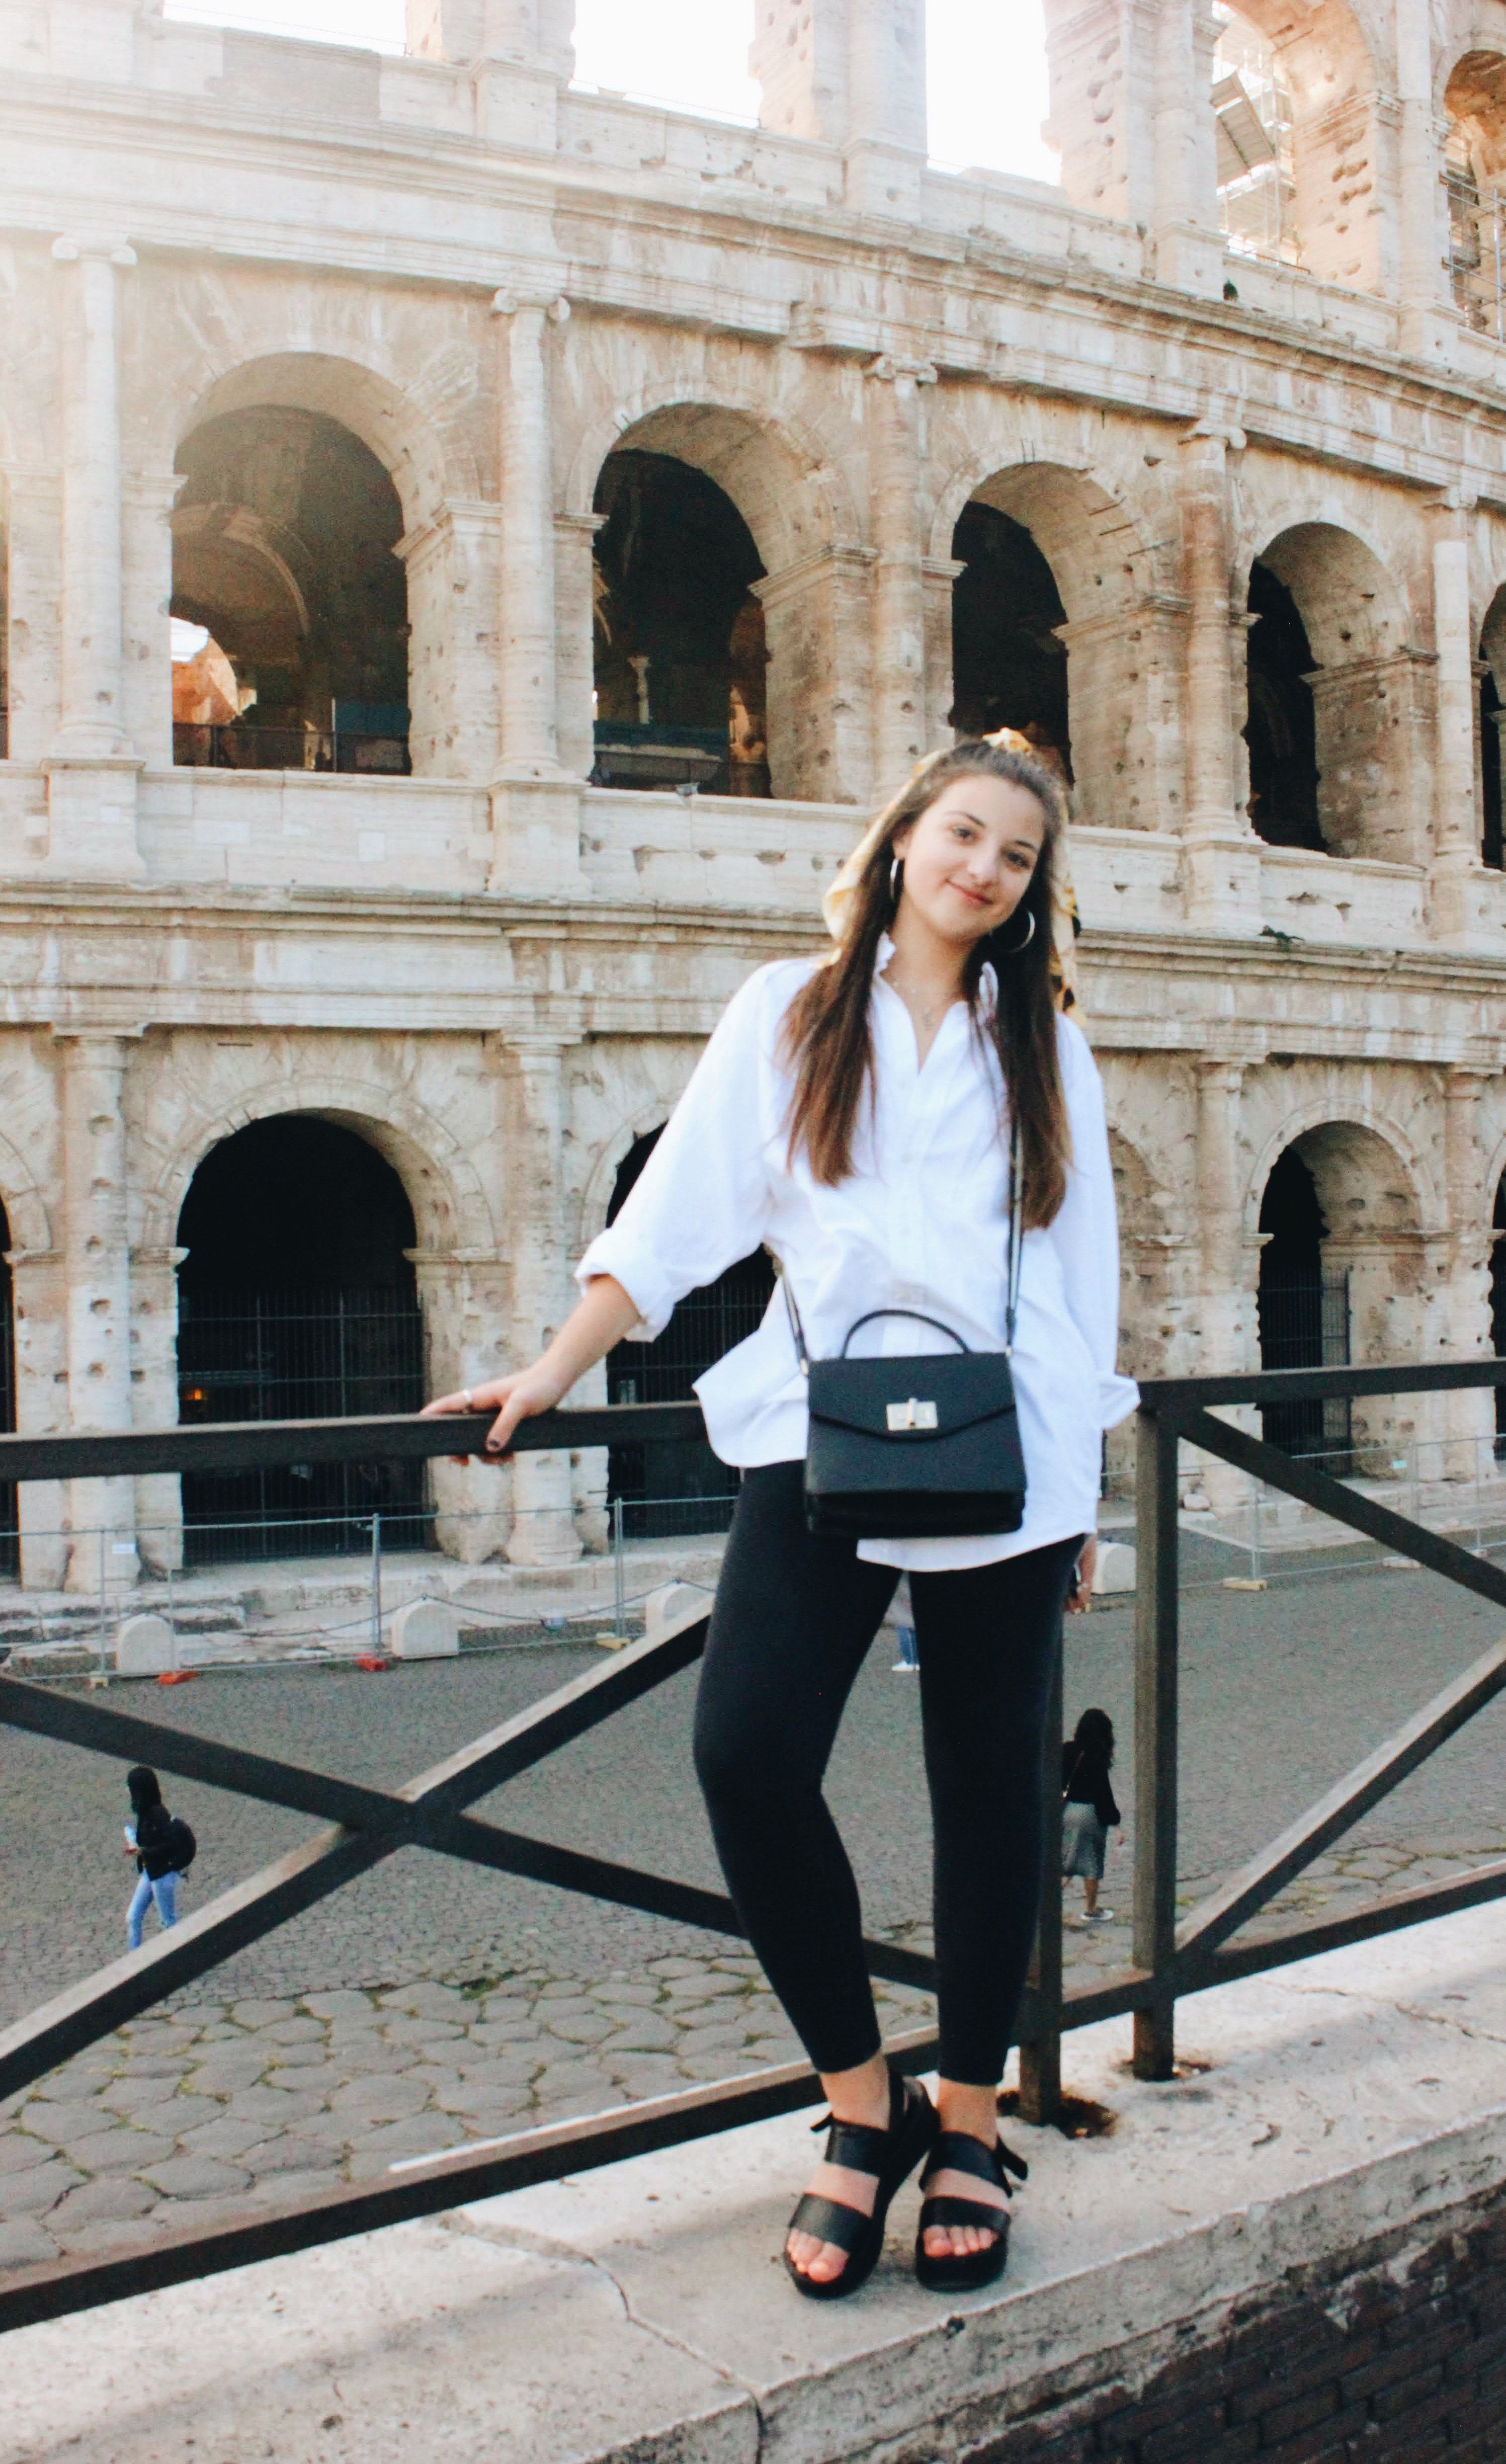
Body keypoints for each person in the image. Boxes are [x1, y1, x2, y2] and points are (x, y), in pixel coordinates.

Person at [424, 731, 1136, 2301]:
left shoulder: (1049, 1049)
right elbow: (676, 1216)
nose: (983, 869)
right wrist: (551, 1369)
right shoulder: (788, 1012)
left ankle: (969, 2121)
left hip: (1007, 1456)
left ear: (1032, 892)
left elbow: (1079, 1276)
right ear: (903, 838)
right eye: (963, 834)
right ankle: (861, 2102)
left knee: (990, 1793)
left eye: (1015, 858)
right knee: (743, 1754)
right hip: (817, 1436)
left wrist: (1083, 1492)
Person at [1061, 1707, 1124, 1926]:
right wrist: (1116, 1824)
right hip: (1089, 1817)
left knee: (1065, 1858)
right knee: (1091, 1864)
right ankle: (1091, 1909)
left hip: (1067, 1812)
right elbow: (1103, 1795)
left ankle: (1048, 1904)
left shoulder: (1067, 1750)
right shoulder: (1097, 1758)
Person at [123, 1765, 186, 1950]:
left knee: (168, 1921)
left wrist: (144, 1852)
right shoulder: (145, 1811)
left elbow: (170, 1844)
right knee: (133, 1917)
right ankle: (134, 1960)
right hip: (151, 1871)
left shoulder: (158, 1814)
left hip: (163, 1874)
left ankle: (181, 1957)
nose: (128, 1790)